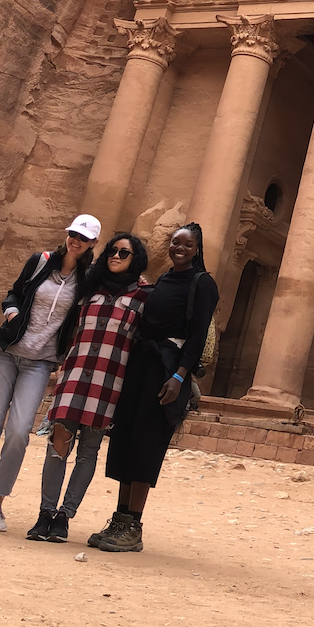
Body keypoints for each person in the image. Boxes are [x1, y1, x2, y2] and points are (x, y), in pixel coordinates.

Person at [0, 214, 101, 532]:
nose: (76, 240)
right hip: (5, 352)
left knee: (20, 431)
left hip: (40, 361)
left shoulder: (87, 280)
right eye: (73, 234)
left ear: (92, 243)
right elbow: (13, 293)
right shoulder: (42, 261)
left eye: (83, 237)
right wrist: (12, 313)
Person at [92, 222, 217, 552]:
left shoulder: (202, 283)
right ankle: (119, 520)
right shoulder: (164, 279)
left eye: (187, 244)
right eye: (176, 242)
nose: (180, 248)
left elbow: (197, 336)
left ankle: (133, 525)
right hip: (141, 364)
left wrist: (179, 377)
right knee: (126, 439)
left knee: (147, 443)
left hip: (167, 369)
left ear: (197, 249)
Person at [27, 233, 150, 544]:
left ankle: (64, 516)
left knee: (88, 452)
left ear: (135, 259)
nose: (116, 256)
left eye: (125, 253)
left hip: (110, 382)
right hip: (75, 376)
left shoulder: (143, 296)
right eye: (113, 251)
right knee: (58, 445)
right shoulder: (89, 288)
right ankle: (45, 513)